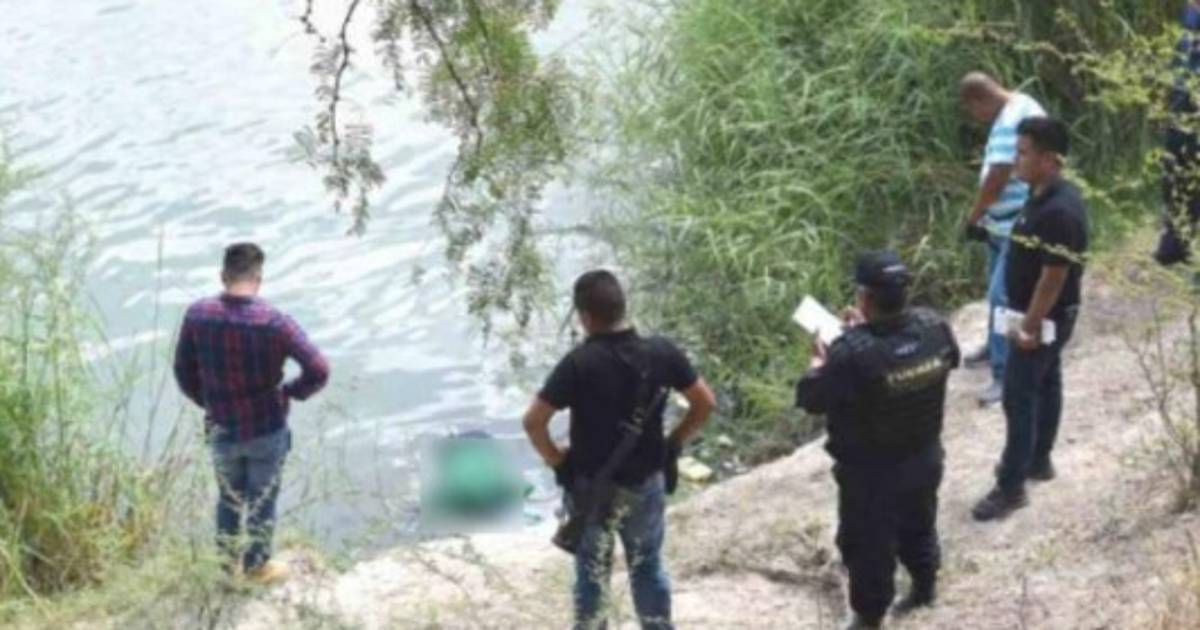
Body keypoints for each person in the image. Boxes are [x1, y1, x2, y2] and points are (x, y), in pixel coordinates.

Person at [522, 270, 716, 630]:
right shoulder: (662, 353)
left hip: (591, 488)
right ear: (622, 307)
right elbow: (704, 403)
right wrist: (673, 442)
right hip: (646, 483)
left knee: (592, 572)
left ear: (585, 316)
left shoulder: (578, 363)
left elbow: (534, 422)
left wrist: (559, 462)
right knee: (647, 567)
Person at [795, 251, 960, 630]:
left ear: (864, 297)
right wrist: (865, 333)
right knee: (920, 524)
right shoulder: (935, 327)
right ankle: (924, 588)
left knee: (867, 546)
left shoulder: (849, 355)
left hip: (871, 473)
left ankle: (869, 618)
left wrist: (819, 363)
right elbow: (944, 360)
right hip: (925, 455)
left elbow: (811, 399)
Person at [173, 243, 330, 583]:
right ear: (258, 279)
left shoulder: (198, 315)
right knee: (262, 500)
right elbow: (319, 369)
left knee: (229, 499)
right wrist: (291, 392)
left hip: (221, 428)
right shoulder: (275, 322)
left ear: (223, 276)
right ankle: (257, 567)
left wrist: (209, 401)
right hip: (267, 428)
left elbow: (182, 372)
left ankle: (226, 568)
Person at [971, 117, 1089, 522]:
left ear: (1049, 159)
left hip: (1044, 318)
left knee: (1018, 395)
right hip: (1038, 316)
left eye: (1023, 153)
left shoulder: (1061, 211)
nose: (1015, 160)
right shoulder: (1039, 194)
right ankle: (1038, 460)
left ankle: (1011, 486)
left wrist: (1029, 325)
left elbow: (1053, 279)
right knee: (1047, 380)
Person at [960, 72, 1047, 406]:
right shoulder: (1022, 104)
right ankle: (994, 345)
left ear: (979, 101)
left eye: (973, 111)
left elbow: (996, 177)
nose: (976, 118)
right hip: (1002, 223)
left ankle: (1004, 374)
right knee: (995, 288)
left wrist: (974, 216)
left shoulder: (1010, 120)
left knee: (1002, 295)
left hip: (1016, 222)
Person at [1154, 1, 1200, 266]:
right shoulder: (1189, 14)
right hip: (1181, 107)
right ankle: (1175, 243)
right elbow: (1178, 63)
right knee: (1176, 173)